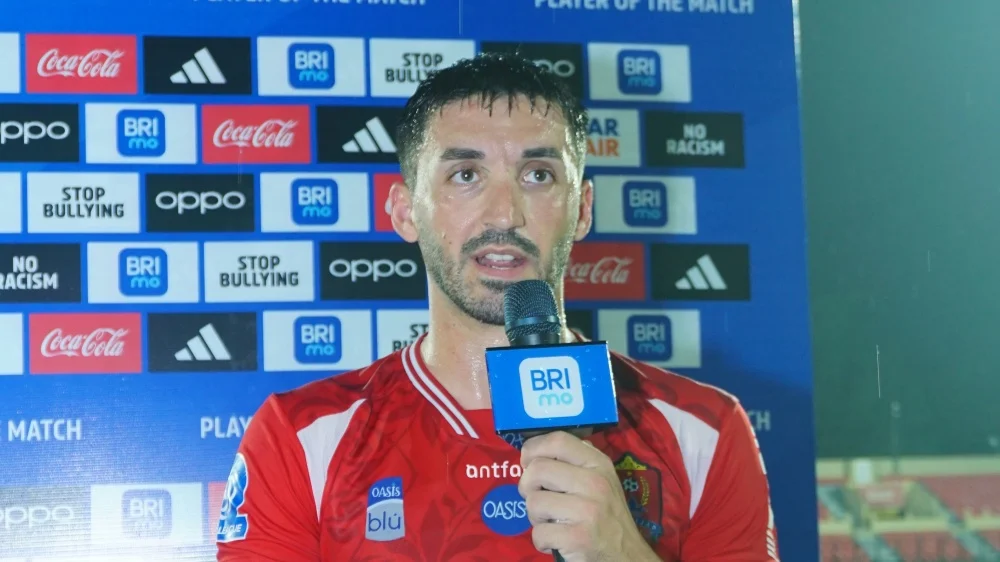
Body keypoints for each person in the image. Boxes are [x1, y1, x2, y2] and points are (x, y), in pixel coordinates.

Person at [215, 52, 778, 562]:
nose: (505, 214)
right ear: (405, 212)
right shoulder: (302, 437)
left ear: (582, 209)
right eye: (466, 175)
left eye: (538, 175)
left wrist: (623, 555)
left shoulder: (702, 429)